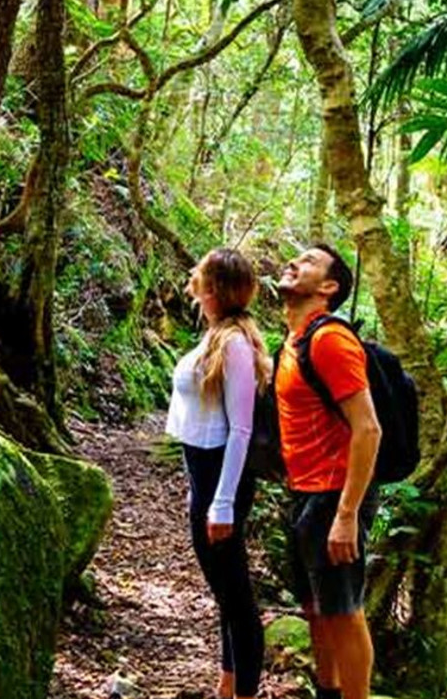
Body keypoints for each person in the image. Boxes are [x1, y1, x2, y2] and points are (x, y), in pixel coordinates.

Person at [164, 247, 273, 699]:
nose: (193, 277)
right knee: (225, 593)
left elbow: (241, 428)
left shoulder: (233, 344)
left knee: (236, 597)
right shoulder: (217, 335)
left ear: (214, 288)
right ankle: (226, 686)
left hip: (218, 479)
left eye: (202, 274)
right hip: (203, 477)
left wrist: (223, 501)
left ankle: (243, 691)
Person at [275, 243, 383, 699]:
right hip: (305, 492)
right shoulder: (294, 341)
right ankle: (327, 692)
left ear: (329, 287)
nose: (294, 262)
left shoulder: (330, 340)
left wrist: (346, 514)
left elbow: (369, 428)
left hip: (336, 493)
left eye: (309, 262)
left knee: (342, 609)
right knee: (316, 607)